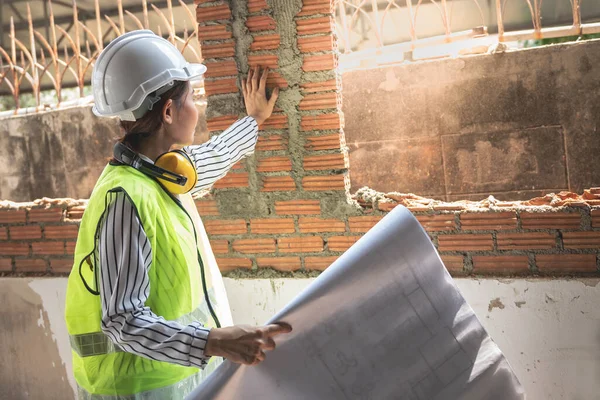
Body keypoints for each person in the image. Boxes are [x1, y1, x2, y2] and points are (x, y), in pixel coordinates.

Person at [64, 30, 291, 399]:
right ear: (168, 111)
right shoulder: (125, 197)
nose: (196, 107)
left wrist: (253, 120)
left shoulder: (160, 171)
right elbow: (122, 321)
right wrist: (214, 341)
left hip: (175, 377)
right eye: (192, 97)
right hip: (136, 389)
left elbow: (210, 158)